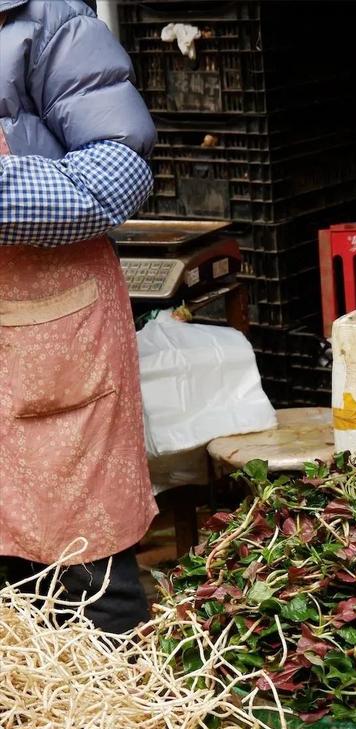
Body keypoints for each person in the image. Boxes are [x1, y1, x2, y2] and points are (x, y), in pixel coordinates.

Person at [0, 0, 159, 633]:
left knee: (82, 571)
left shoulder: (48, 21)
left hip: (44, 330)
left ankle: (114, 692)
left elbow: (117, 171)